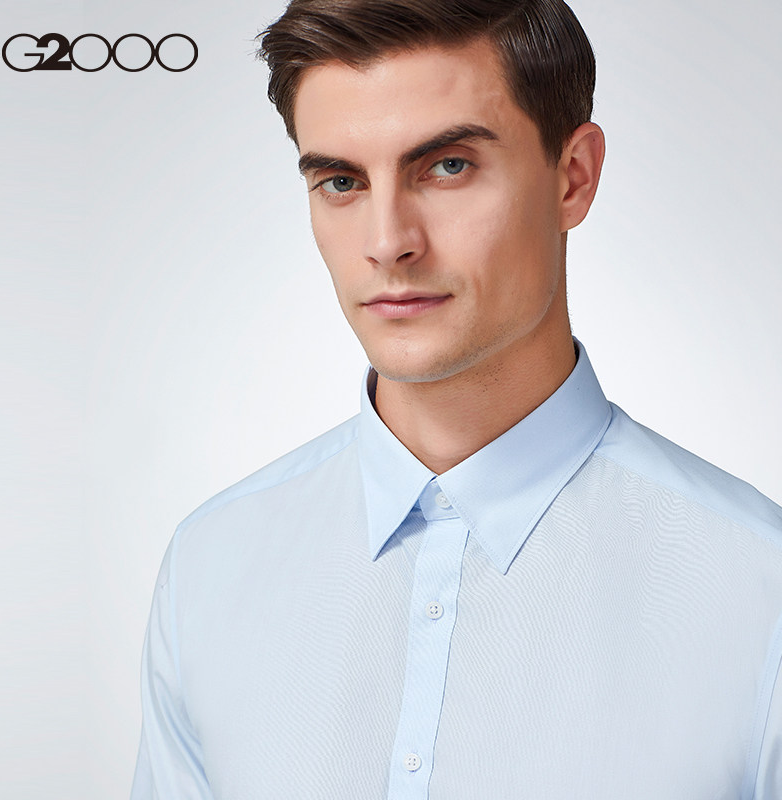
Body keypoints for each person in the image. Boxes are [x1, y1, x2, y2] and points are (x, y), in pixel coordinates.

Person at [130, 1, 782, 797]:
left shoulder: (759, 591)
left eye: (446, 167)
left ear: (573, 178)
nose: (388, 242)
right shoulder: (208, 566)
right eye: (341, 181)